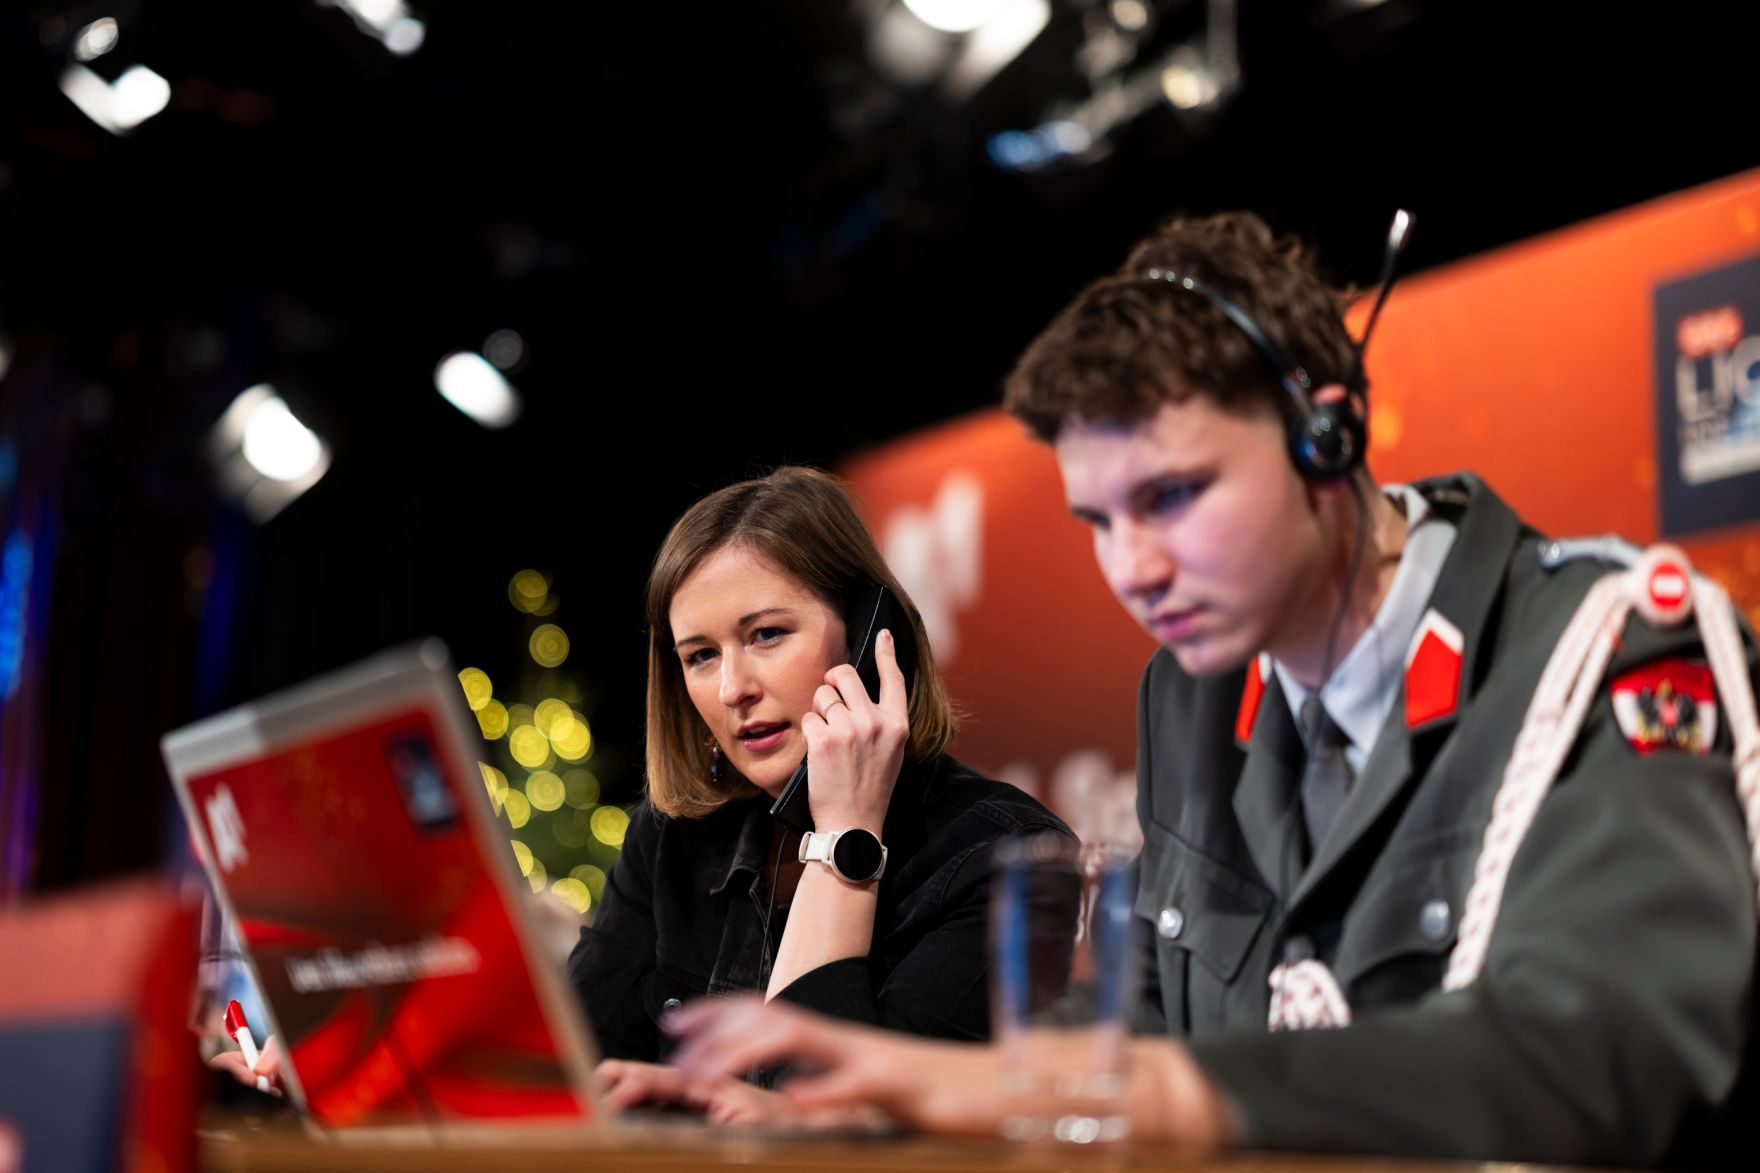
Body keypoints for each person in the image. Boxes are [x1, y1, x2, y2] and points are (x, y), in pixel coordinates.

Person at [661, 213, 1760, 1165]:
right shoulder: (1191, 695)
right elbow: (1141, 1023)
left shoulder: (1612, 645)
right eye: (1100, 520)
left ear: (1326, 434)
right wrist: (900, 1106)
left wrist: (1126, 1093)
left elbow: (1606, 1052)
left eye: (1173, 495)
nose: (1132, 568)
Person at [570, 465, 1072, 1123]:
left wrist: (843, 839)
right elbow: (573, 1076)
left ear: (867, 633)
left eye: (767, 634)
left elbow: (831, 1134)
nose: (733, 689)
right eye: (700, 655)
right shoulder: (668, 838)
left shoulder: (1006, 857)